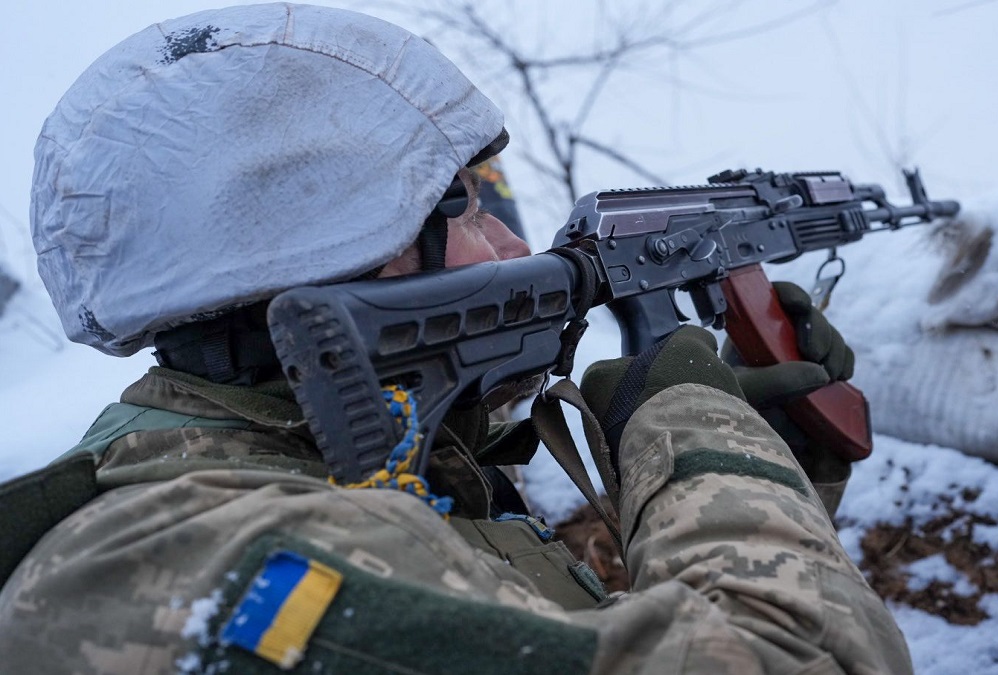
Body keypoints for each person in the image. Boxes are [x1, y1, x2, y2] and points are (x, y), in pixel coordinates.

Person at [0, 4, 912, 674]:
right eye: (466, 203)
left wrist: (750, 464)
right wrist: (696, 428)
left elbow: (600, 642)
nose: (516, 246)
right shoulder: (195, 563)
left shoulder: (350, 468)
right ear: (327, 242)